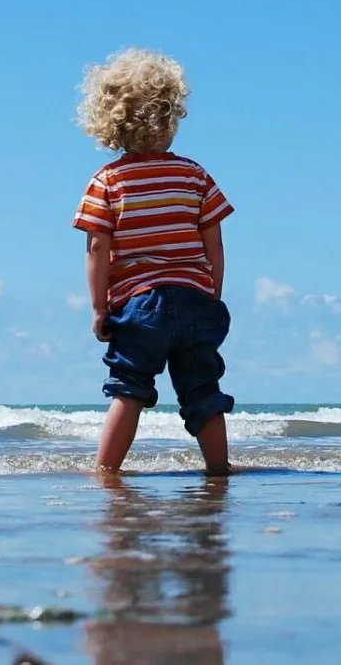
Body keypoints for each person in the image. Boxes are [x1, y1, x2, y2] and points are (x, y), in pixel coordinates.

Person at [73, 48, 234, 473]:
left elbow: (96, 248)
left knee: (129, 389)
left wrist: (99, 308)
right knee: (203, 390)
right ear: (170, 117)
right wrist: (211, 291)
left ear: (112, 124)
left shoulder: (107, 181)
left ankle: (106, 473)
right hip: (197, 301)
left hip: (140, 306)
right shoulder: (194, 175)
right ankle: (220, 472)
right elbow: (213, 241)